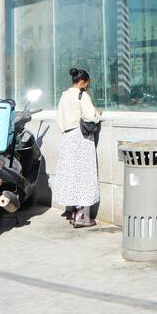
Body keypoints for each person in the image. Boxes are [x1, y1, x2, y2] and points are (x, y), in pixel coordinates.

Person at [55, 68, 102, 227]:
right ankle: (82, 216)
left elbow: (59, 119)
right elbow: (90, 116)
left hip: (67, 137)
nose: (87, 86)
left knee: (71, 174)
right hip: (81, 137)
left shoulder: (64, 96)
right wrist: (98, 114)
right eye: (87, 83)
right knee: (84, 175)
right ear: (82, 82)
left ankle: (72, 212)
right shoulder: (82, 95)